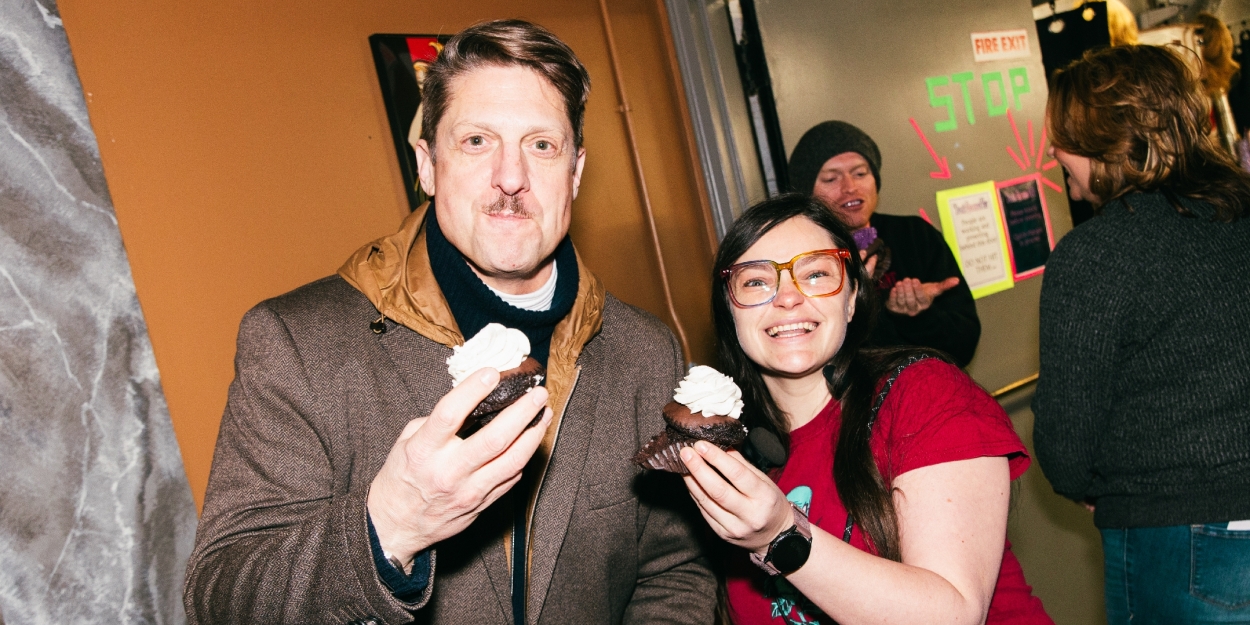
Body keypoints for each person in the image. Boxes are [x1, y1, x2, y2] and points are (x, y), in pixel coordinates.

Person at [183, 20, 715, 624]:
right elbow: (221, 599)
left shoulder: (645, 351)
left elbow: (673, 570)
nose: (511, 178)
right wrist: (386, 527)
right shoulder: (299, 342)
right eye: (477, 142)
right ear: (428, 164)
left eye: (542, 145)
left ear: (575, 171)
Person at [681, 194, 1052, 624]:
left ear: (853, 297)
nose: (787, 298)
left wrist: (782, 535)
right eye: (757, 282)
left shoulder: (925, 395)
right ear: (729, 311)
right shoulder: (736, 456)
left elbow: (952, 616)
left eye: (816, 273)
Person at [1033, 44, 1250, 625]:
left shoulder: (1096, 255)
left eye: (1064, 137)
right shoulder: (1240, 211)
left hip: (1184, 535)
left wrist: (1089, 481)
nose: (1054, 153)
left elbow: (1066, 444)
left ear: (1108, 143)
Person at [788, 121, 981, 366]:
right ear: (808, 193)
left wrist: (919, 317)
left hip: (932, 394)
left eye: (860, 173)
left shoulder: (914, 235)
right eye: (831, 179)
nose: (850, 187)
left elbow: (964, 345)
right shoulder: (801, 262)